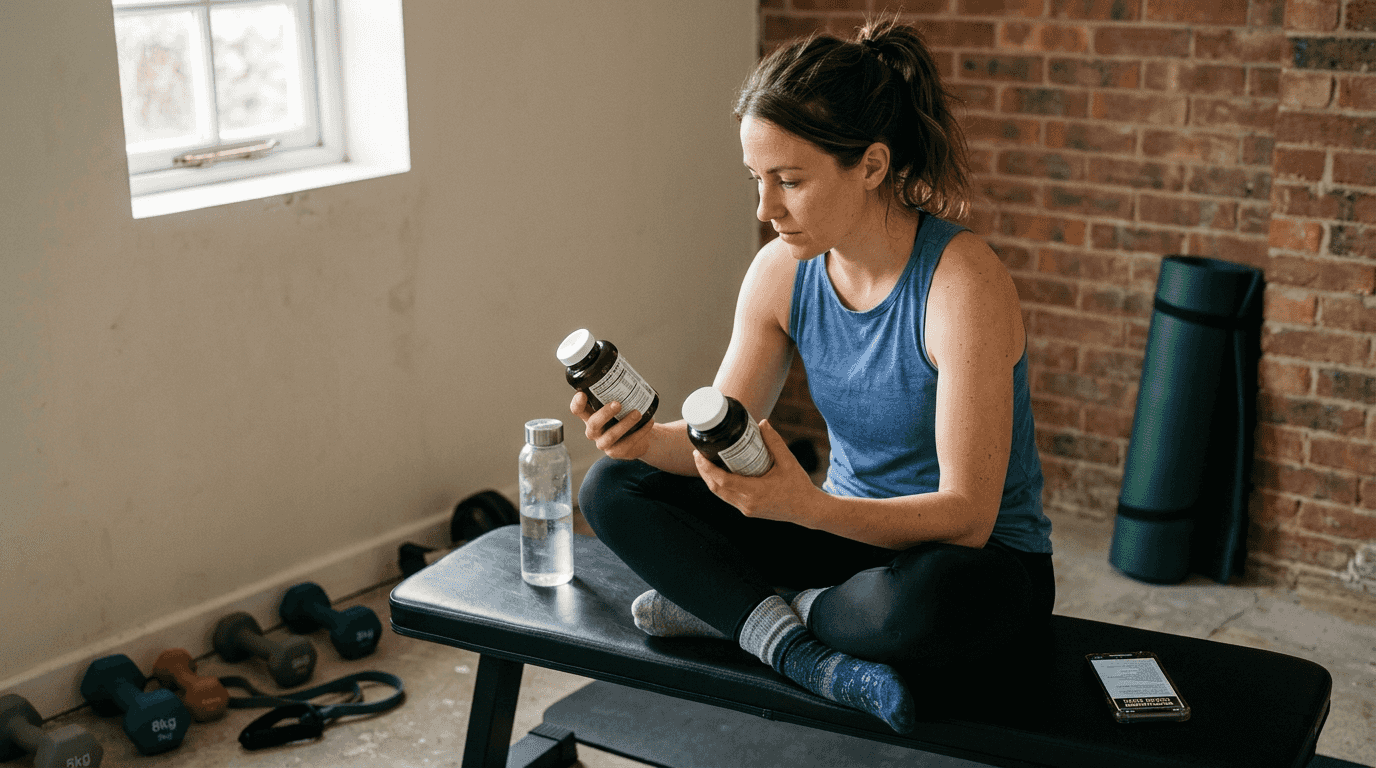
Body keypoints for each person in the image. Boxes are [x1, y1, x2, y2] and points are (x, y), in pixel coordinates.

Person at [571, 18, 1053, 735]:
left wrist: (806, 507)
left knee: (928, 605)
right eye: (757, 180)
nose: (766, 210)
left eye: (790, 181)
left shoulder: (962, 283)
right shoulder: (781, 272)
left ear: (872, 164)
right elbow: (720, 431)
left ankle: (744, 611)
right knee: (614, 488)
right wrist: (643, 443)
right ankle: (798, 648)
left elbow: (968, 514)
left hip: (969, 561)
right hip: (843, 539)